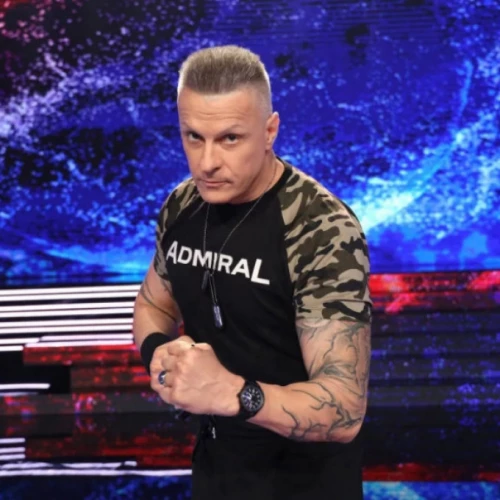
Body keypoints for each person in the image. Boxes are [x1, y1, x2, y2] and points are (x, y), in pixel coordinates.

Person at [133, 45, 372, 500]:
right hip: (215, 471)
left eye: (229, 138)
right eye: (193, 137)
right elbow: (152, 304)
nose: (207, 162)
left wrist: (232, 394)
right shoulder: (183, 204)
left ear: (269, 131)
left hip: (305, 486)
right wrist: (161, 356)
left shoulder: (319, 228)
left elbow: (344, 409)